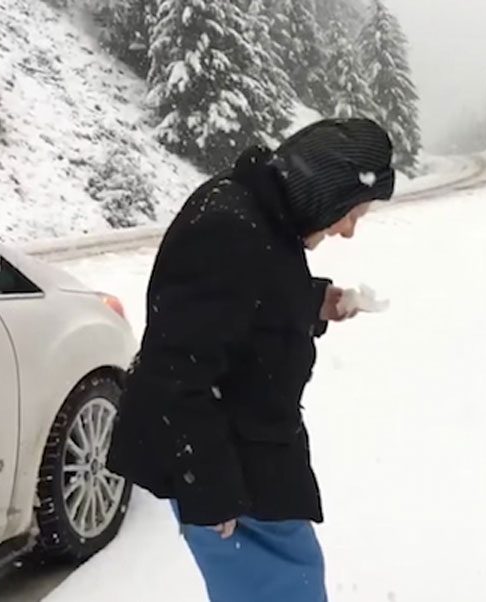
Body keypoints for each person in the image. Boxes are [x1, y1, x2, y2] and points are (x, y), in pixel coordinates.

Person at [106, 118, 395, 601]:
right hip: (232, 474)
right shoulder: (229, 225)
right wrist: (212, 489)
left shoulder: (260, 215)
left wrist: (317, 302)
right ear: (323, 187)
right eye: (352, 213)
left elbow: (252, 295)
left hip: (254, 459)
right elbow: (174, 368)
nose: (347, 232)